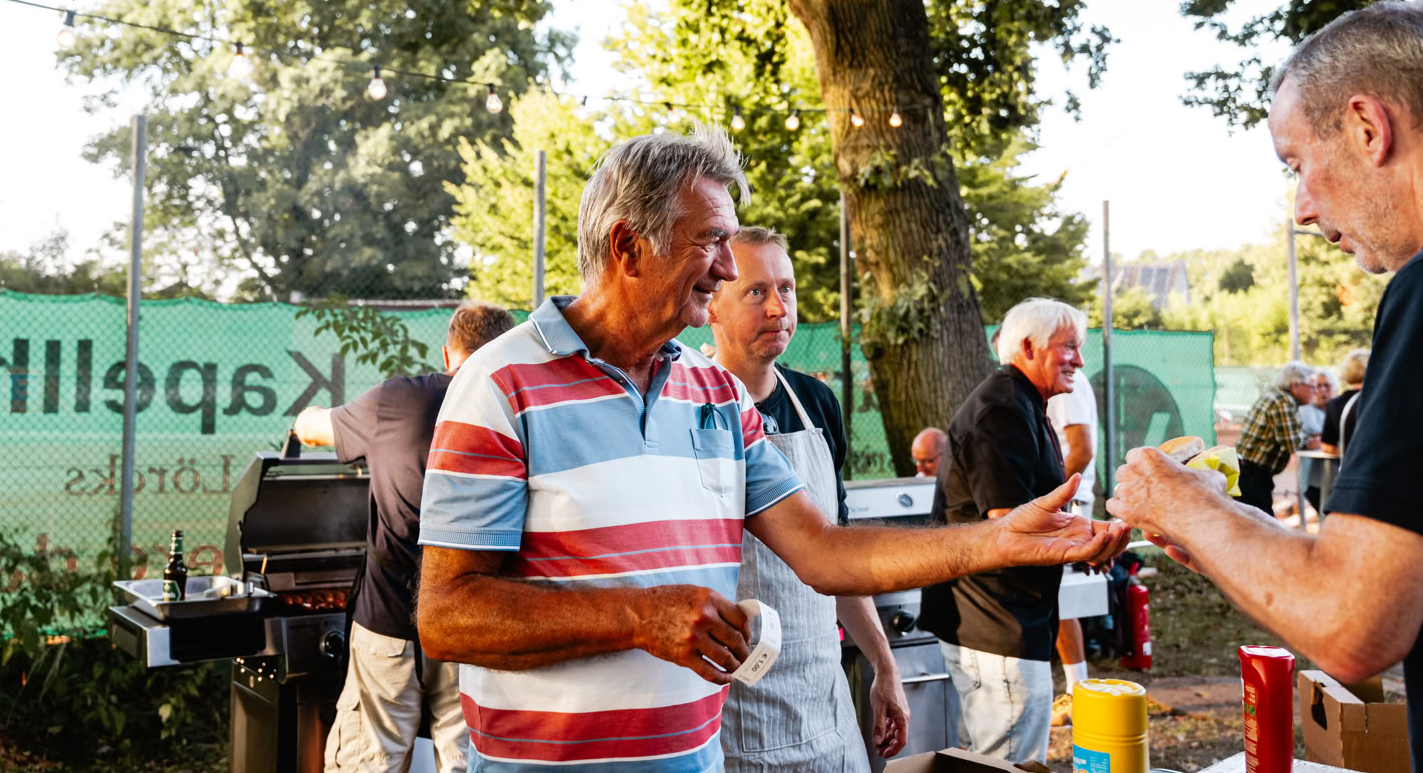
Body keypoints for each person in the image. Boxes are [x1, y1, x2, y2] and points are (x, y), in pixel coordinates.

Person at [414, 129, 1128, 773]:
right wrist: (637, 617)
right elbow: (445, 617)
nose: (726, 269)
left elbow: (825, 552)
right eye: (710, 242)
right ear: (628, 247)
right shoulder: (499, 384)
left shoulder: (712, 393)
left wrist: (997, 540)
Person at [1107, 0, 1423, 772]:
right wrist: (1229, 540)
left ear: (1370, 128)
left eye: (1296, 165)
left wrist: (1177, 500)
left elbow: (1352, 627)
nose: (1302, 208)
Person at [707, 225, 907, 770]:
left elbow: (833, 554)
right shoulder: (691, 408)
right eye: (755, 292)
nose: (778, 307)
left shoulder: (816, 403)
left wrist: (884, 667)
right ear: (711, 307)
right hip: (735, 713)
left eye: (787, 289)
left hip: (825, 698)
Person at [293, 301, 516, 773]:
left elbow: (311, 429)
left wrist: (305, 417)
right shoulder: (516, 405)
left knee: (369, 759)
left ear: (447, 352)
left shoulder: (396, 400)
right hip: (475, 627)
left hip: (389, 625)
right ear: (502, 349)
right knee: (464, 763)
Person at [918, 298, 1085, 765]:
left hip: (1002, 624)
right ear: (1029, 347)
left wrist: (1083, 539)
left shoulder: (1024, 403)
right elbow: (1010, 525)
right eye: (1069, 346)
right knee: (1006, 765)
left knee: (986, 762)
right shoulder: (1003, 409)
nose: (1080, 360)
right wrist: (1084, 539)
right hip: (994, 627)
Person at [1044, 368, 1097, 702]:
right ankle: (1074, 689)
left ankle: (1078, 692)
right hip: (1065, 499)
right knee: (1058, 598)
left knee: (1062, 598)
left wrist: (1046, 496)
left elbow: (1082, 449)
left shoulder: (1068, 383)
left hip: (1067, 501)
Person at [1231, 361, 1317, 515]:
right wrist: (1311, 441)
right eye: (1312, 386)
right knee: (1261, 522)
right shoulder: (1283, 402)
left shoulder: (1277, 397)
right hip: (1252, 473)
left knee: (1256, 520)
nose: (1315, 391)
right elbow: (1291, 443)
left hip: (1249, 470)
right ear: (1295, 385)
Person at [1320, 349, 1369, 457]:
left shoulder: (1334, 404)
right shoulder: (1375, 400)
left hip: (1348, 469)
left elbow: (1328, 447)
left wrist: (1349, 456)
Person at [1298, 370, 1335, 448]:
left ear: (1335, 389)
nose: (1322, 390)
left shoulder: (1339, 409)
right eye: (1318, 386)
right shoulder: (1305, 409)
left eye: (1327, 385)